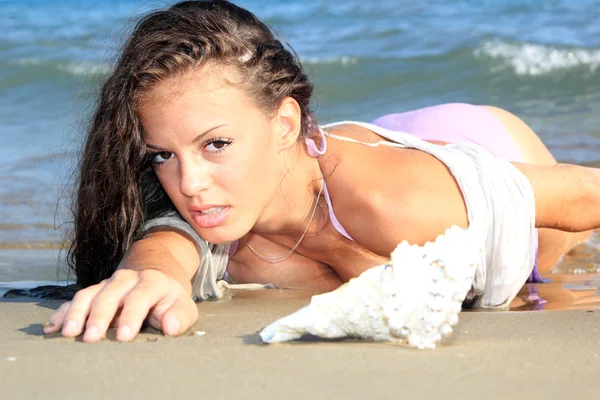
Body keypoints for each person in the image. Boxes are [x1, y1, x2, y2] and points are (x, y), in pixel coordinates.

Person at [43, 0, 599, 342]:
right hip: (330, 159)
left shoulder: (402, 201)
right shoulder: (218, 212)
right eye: (163, 153)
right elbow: (169, 239)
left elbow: (585, 195)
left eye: (215, 144)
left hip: (473, 145)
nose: (188, 184)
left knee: (556, 262)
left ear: (285, 123)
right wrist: (152, 271)